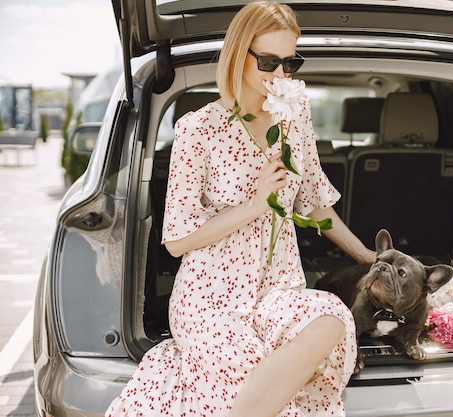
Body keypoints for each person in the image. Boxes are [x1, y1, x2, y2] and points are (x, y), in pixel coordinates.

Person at [105, 2, 376, 416]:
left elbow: (314, 203)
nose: (281, 75)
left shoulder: (294, 114)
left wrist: (368, 257)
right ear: (238, 56)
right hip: (210, 293)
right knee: (253, 371)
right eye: (269, 62)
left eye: (291, 63)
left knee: (332, 320)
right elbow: (176, 241)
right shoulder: (198, 129)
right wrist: (255, 203)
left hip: (278, 286)